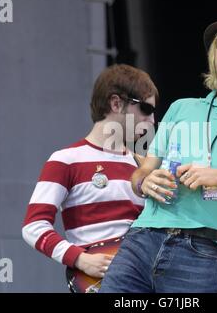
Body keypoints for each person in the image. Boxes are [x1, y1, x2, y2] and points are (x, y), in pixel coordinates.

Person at [99, 11, 217, 293]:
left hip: (201, 250)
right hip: (141, 240)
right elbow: (143, 171)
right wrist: (144, 181)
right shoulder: (182, 107)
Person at [22, 64, 158, 287]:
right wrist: (80, 259)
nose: (152, 121)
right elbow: (33, 226)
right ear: (116, 103)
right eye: (146, 109)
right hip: (101, 281)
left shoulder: (143, 165)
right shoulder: (65, 160)